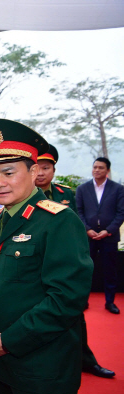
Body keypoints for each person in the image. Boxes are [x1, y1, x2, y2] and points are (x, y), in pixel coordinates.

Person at [0, 119, 92, 394]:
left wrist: (7, 341)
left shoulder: (58, 220)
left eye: (8, 172)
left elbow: (66, 299)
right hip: (3, 362)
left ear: (34, 171)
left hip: (44, 366)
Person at [36, 145, 115, 379]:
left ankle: (85, 361)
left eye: (46, 168)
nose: (41, 173)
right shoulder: (23, 195)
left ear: (53, 170)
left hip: (64, 265)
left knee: (74, 315)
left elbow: (76, 226)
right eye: (37, 168)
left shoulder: (65, 193)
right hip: (37, 266)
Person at [76, 157, 124, 315]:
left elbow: (121, 213)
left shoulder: (118, 189)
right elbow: (78, 211)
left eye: (101, 167)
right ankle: (83, 300)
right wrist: (87, 229)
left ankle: (110, 302)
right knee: (84, 270)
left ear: (107, 170)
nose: (97, 170)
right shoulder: (82, 189)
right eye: (95, 167)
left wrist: (108, 230)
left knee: (110, 270)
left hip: (109, 237)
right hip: (87, 237)